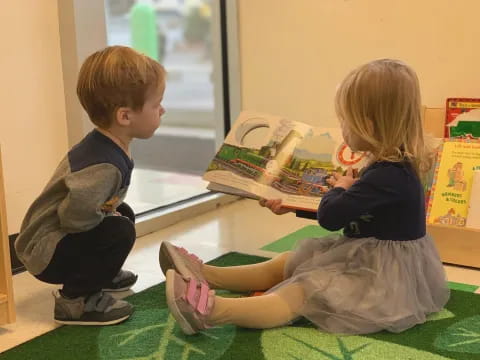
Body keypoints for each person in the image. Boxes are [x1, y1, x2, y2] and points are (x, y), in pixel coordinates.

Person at [159, 59, 450, 335]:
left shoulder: (388, 175)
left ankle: (213, 311)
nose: (343, 129)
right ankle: (209, 275)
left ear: (369, 126)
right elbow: (357, 210)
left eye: (346, 122)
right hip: (372, 259)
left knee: (303, 290)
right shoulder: (391, 165)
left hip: (382, 284)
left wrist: (340, 190)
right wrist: (292, 204)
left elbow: (331, 217)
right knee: (291, 261)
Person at [15, 46, 166, 326]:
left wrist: (110, 215)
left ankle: (100, 274)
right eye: (156, 105)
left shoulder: (106, 144)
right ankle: (76, 300)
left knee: (123, 214)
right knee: (119, 230)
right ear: (125, 116)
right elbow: (74, 217)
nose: (163, 110)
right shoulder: (103, 166)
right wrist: (109, 221)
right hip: (46, 253)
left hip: (52, 240)